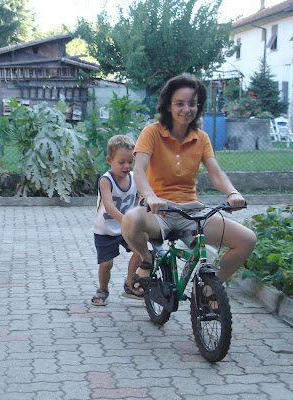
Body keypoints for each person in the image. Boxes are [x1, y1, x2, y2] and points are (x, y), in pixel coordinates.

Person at [121, 74, 257, 294]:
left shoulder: (201, 138)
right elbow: (139, 170)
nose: (187, 109)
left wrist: (232, 192)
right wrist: (151, 196)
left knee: (247, 239)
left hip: (192, 212)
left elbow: (216, 172)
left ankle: (210, 290)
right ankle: (146, 260)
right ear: (168, 105)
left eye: (192, 104)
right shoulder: (152, 132)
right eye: (180, 103)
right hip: (158, 210)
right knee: (129, 220)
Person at [91, 135, 143, 306]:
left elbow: (143, 196)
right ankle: (103, 289)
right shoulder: (106, 180)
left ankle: (129, 283)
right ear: (109, 160)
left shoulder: (135, 178)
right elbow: (109, 206)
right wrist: (126, 220)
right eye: (121, 162)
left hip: (125, 229)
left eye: (130, 161)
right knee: (107, 263)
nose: (127, 166)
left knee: (141, 252)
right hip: (105, 230)